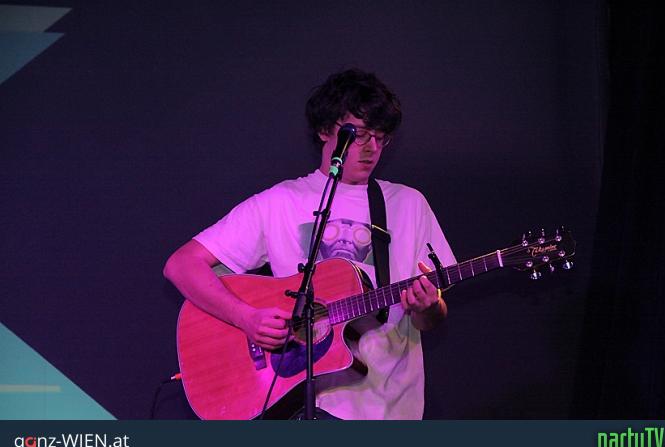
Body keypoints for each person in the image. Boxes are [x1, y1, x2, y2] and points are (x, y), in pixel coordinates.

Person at [163, 68, 456, 420]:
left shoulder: (409, 205)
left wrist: (428, 306)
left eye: (381, 137)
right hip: (307, 405)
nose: (371, 148)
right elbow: (181, 265)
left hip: (392, 408)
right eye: (359, 134)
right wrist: (247, 317)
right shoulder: (280, 202)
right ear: (324, 130)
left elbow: (429, 318)